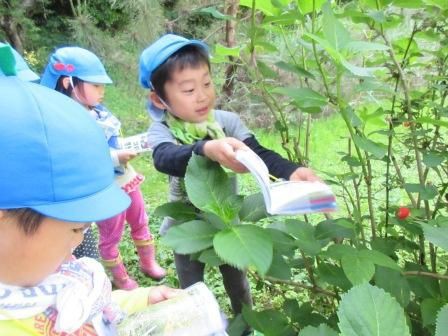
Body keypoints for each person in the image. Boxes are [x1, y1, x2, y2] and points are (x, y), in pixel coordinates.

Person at [139, 34, 320, 317]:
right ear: (159, 99)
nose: (202, 96)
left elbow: (257, 151)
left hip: (227, 224)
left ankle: (245, 325)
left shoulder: (227, 122)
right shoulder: (163, 130)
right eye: (188, 90)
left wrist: (291, 170)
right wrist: (205, 148)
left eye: (207, 83)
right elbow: (164, 158)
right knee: (192, 288)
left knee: (238, 282)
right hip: (187, 228)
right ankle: (202, 325)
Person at [0, 54, 179, 335]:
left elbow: (93, 310)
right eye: (74, 228)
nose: (81, 239)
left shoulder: (49, 274)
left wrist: (141, 301)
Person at [40, 47, 166, 289]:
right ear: (69, 83)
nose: (102, 91)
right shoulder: (63, 121)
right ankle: (120, 277)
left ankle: (147, 262)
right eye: (96, 85)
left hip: (125, 179)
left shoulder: (98, 110)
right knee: (112, 233)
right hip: (102, 188)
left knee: (139, 218)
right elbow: (79, 157)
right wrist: (116, 157)